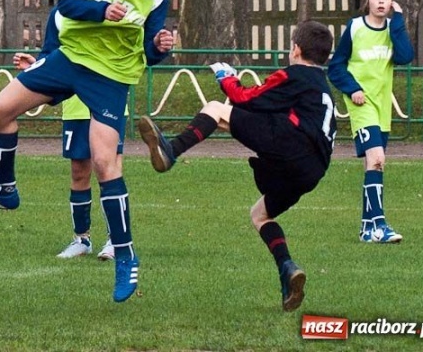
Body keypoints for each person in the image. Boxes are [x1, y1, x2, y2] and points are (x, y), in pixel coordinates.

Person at [0, 0, 174, 303]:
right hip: (71, 58)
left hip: (111, 75)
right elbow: (66, 5)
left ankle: (125, 254)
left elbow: (148, 51)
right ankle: (4, 190)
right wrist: (101, 11)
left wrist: (159, 47)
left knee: (106, 164)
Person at [139, 20, 336, 312]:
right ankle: (288, 269)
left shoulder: (294, 74)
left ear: (295, 49)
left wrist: (225, 77)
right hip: (313, 170)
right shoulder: (321, 85)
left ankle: (172, 151)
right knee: (260, 215)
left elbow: (245, 97)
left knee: (216, 109)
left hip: (292, 146)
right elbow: (271, 107)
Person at [12, 0, 118, 261]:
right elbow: (51, 54)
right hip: (75, 105)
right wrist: (37, 66)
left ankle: (115, 240)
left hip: (108, 100)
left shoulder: (114, 10)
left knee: (109, 168)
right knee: (79, 171)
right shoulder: (61, 15)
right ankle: (81, 239)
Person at [327, 0, 414, 243]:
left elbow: (404, 56)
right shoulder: (354, 27)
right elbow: (336, 66)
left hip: (381, 106)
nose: (381, 2)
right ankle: (379, 225)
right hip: (360, 105)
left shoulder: (392, 28)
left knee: (373, 164)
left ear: (392, 3)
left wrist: (398, 21)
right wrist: (352, 88)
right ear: (368, 0)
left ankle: (367, 229)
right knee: (377, 159)